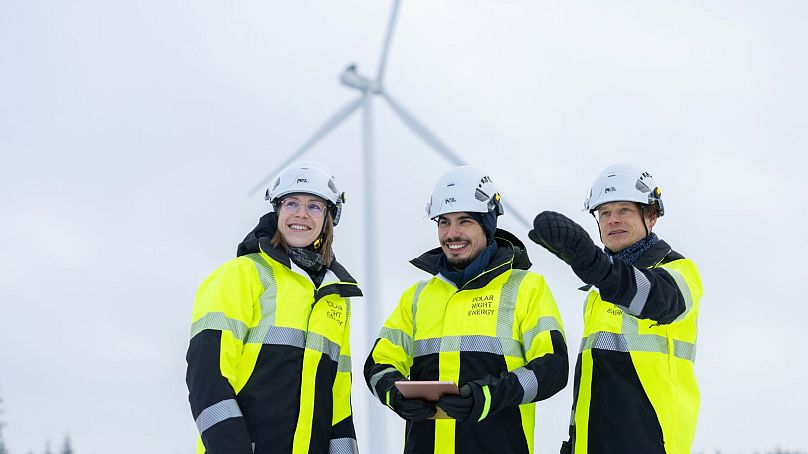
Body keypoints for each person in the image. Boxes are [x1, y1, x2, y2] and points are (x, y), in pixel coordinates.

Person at [364, 166, 569, 454]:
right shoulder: (417, 296)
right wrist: (395, 394)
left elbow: (552, 368)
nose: (452, 233)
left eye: (465, 221)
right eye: (444, 222)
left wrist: (487, 395)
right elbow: (377, 364)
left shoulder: (525, 287)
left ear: (487, 225)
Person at [186, 162, 361, 454]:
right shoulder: (240, 276)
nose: (301, 214)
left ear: (329, 218)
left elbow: (339, 402)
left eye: (314, 206)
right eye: (292, 203)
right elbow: (208, 378)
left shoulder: (335, 298)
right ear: (277, 210)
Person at [528, 163, 704, 454]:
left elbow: (656, 298)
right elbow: (593, 382)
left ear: (651, 215)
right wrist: (574, 443)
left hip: (649, 444)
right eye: (605, 213)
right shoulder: (598, 294)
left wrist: (598, 266)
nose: (613, 220)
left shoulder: (679, 271)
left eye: (624, 210)